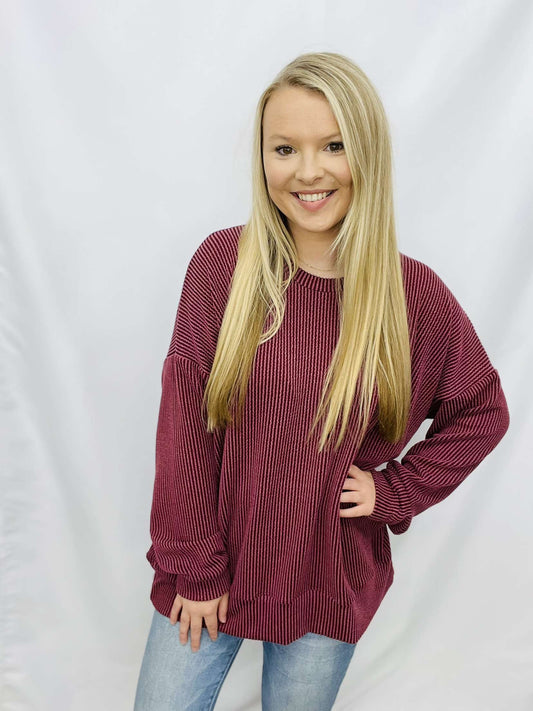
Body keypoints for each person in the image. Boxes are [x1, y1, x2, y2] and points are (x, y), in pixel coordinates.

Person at [133, 51, 510, 710]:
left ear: (366, 152)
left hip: (326, 578)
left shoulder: (412, 297)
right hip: (209, 568)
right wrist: (194, 566)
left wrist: (393, 489)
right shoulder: (223, 265)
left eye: (333, 145)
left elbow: (481, 412)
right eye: (285, 149)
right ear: (262, 160)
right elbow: (185, 428)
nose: (308, 171)